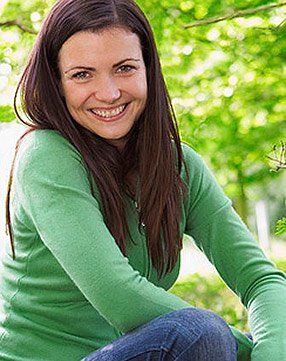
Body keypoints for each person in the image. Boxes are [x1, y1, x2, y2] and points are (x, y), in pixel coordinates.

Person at [0, 0, 285, 360]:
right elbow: (121, 297)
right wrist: (241, 348)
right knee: (201, 331)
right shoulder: (46, 156)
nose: (108, 93)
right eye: (82, 74)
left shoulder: (180, 167)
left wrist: (269, 354)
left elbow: (262, 281)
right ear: (56, 83)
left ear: (148, 69)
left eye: (124, 68)